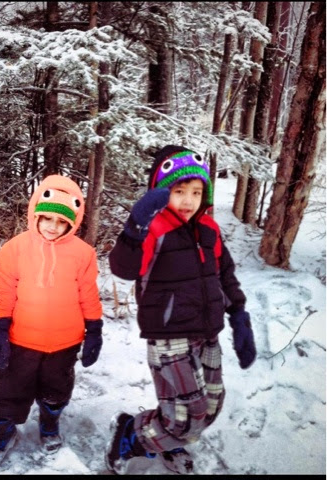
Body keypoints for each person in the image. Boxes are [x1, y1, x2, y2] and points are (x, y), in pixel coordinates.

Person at [105, 145, 256, 475]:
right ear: (161, 193)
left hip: (207, 334)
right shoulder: (153, 230)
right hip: (168, 337)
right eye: (179, 191)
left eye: (196, 192)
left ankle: (166, 439)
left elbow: (224, 274)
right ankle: (132, 435)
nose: (189, 200)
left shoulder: (209, 229)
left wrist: (239, 314)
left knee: (211, 405)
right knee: (188, 417)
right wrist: (134, 228)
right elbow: (123, 268)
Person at [0, 174, 103, 468]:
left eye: (61, 221)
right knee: (7, 391)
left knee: (56, 390)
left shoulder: (83, 254)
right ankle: (0, 434)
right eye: (47, 218)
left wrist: (94, 328)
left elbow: (88, 293)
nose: (52, 226)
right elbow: (3, 289)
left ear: (73, 221)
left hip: (65, 342)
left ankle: (49, 423)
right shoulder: (15, 249)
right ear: (35, 213)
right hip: (21, 341)